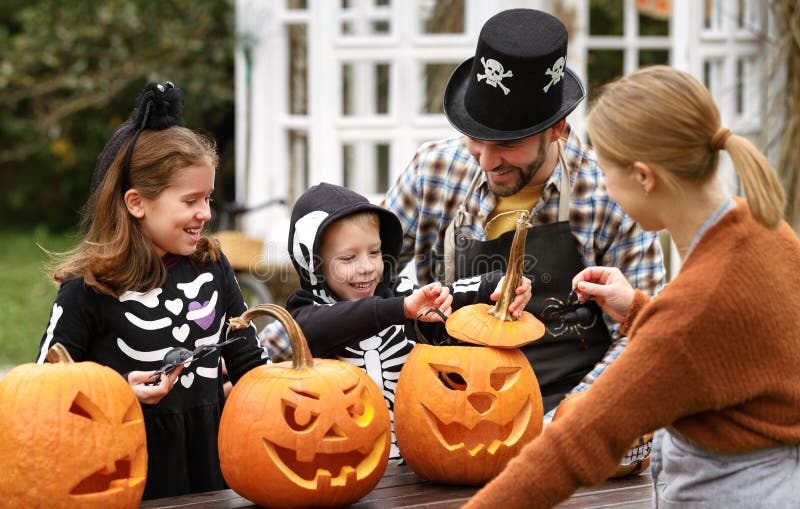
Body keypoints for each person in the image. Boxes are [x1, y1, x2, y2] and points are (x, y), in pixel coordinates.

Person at [463, 65, 800, 508]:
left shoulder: (688, 316)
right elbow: (732, 352)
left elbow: (577, 446)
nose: (602, 185)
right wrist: (641, 310)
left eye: (605, 171)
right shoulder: (763, 226)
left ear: (644, 177)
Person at [383, 8, 666, 415]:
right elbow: (362, 276)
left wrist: (561, 426)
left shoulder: (609, 194)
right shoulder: (433, 171)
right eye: (476, 140)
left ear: (558, 130)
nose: (486, 161)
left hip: (568, 418)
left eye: (507, 145)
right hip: (445, 414)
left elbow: (641, 338)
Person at [36, 82, 269, 500]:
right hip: (123, 474)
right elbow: (42, 392)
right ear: (137, 203)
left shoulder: (212, 266)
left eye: (209, 198)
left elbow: (249, 361)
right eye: (190, 200)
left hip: (212, 467)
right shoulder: (88, 287)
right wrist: (120, 389)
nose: (206, 214)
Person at [268, 182, 531, 463]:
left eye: (374, 252)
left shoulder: (402, 294)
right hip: (340, 469)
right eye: (348, 257)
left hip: (414, 469)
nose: (367, 267)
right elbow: (309, 328)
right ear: (314, 263)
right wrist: (399, 309)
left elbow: (450, 294)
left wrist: (502, 283)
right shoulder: (307, 312)